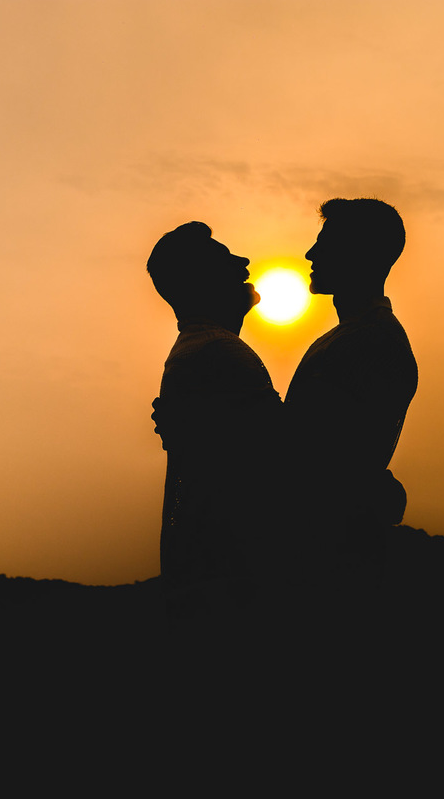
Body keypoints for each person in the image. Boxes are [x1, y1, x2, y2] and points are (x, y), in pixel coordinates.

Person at [146, 222, 281, 614]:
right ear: (201, 283)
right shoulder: (219, 354)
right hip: (230, 587)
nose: (244, 262)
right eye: (226, 260)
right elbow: (280, 461)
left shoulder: (202, 350)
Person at [284, 198, 418, 555]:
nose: (311, 254)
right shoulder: (353, 336)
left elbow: (312, 454)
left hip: (328, 551)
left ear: (360, 254)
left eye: (325, 244)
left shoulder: (369, 341)